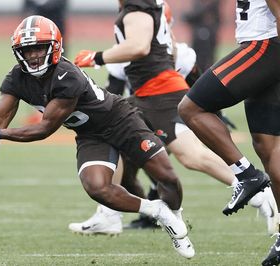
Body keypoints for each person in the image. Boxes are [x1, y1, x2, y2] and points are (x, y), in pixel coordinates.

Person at [0, 15, 195, 259]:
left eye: (39, 48)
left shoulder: (67, 75)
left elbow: (43, 129)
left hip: (120, 120)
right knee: (97, 187)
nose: (33, 55)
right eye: (28, 49)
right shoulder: (16, 78)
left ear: (54, 47)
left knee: (167, 177)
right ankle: (158, 211)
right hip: (90, 133)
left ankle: (176, 218)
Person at [69, 0, 277, 236]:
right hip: (148, 95)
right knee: (111, 135)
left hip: (160, 95)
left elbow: (139, 47)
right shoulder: (148, 12)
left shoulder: (137, 10)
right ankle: (108, 214)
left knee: (193, 156)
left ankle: (257, 187)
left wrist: (97, 57)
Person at [177, 0, 280, 264]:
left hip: (265, 46)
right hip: (261, 46)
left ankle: (247, 175)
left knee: (191, 108)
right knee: (269, 150)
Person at [183, 0, 221, 71]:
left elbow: (217, 20)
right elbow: (190, 17)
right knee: (199, 60)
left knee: (207, 60)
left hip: (208, 37)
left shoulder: (212, 5)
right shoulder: (199, 5)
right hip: (200, 37)